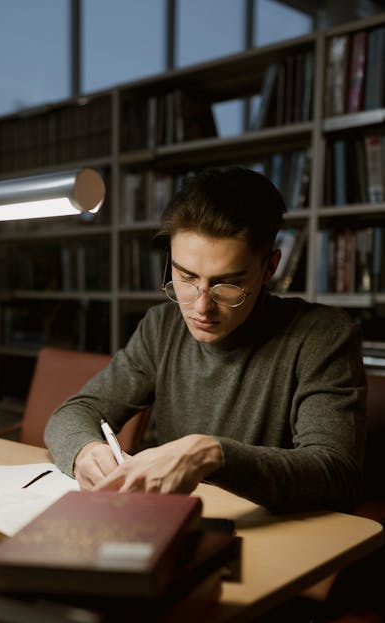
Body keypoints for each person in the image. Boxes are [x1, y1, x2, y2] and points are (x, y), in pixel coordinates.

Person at [45, 166, 366, 514]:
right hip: (174, 523)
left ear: (269, 267)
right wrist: (86, 452)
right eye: (185, 276)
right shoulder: (162, 327)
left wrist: (211, 454)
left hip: (279, 535)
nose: (201, 307)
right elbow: (74, 413)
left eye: (226, 284)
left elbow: (336, 475)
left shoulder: (323, 335)